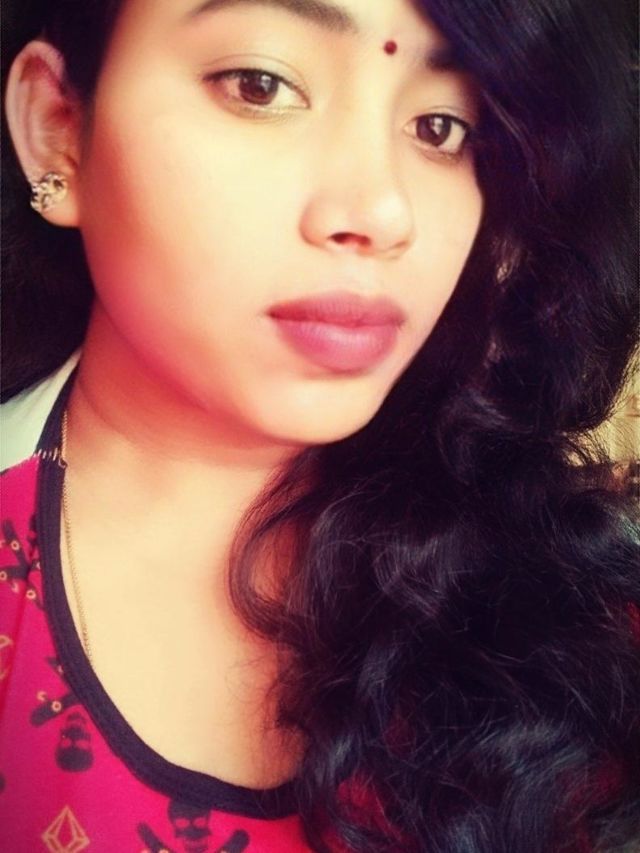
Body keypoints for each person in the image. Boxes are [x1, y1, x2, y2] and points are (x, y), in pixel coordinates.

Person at [0, 0, 638, 850]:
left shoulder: (570, 594)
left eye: (442, 128)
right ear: (58, 130)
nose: (383, 212)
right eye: (260, 85)